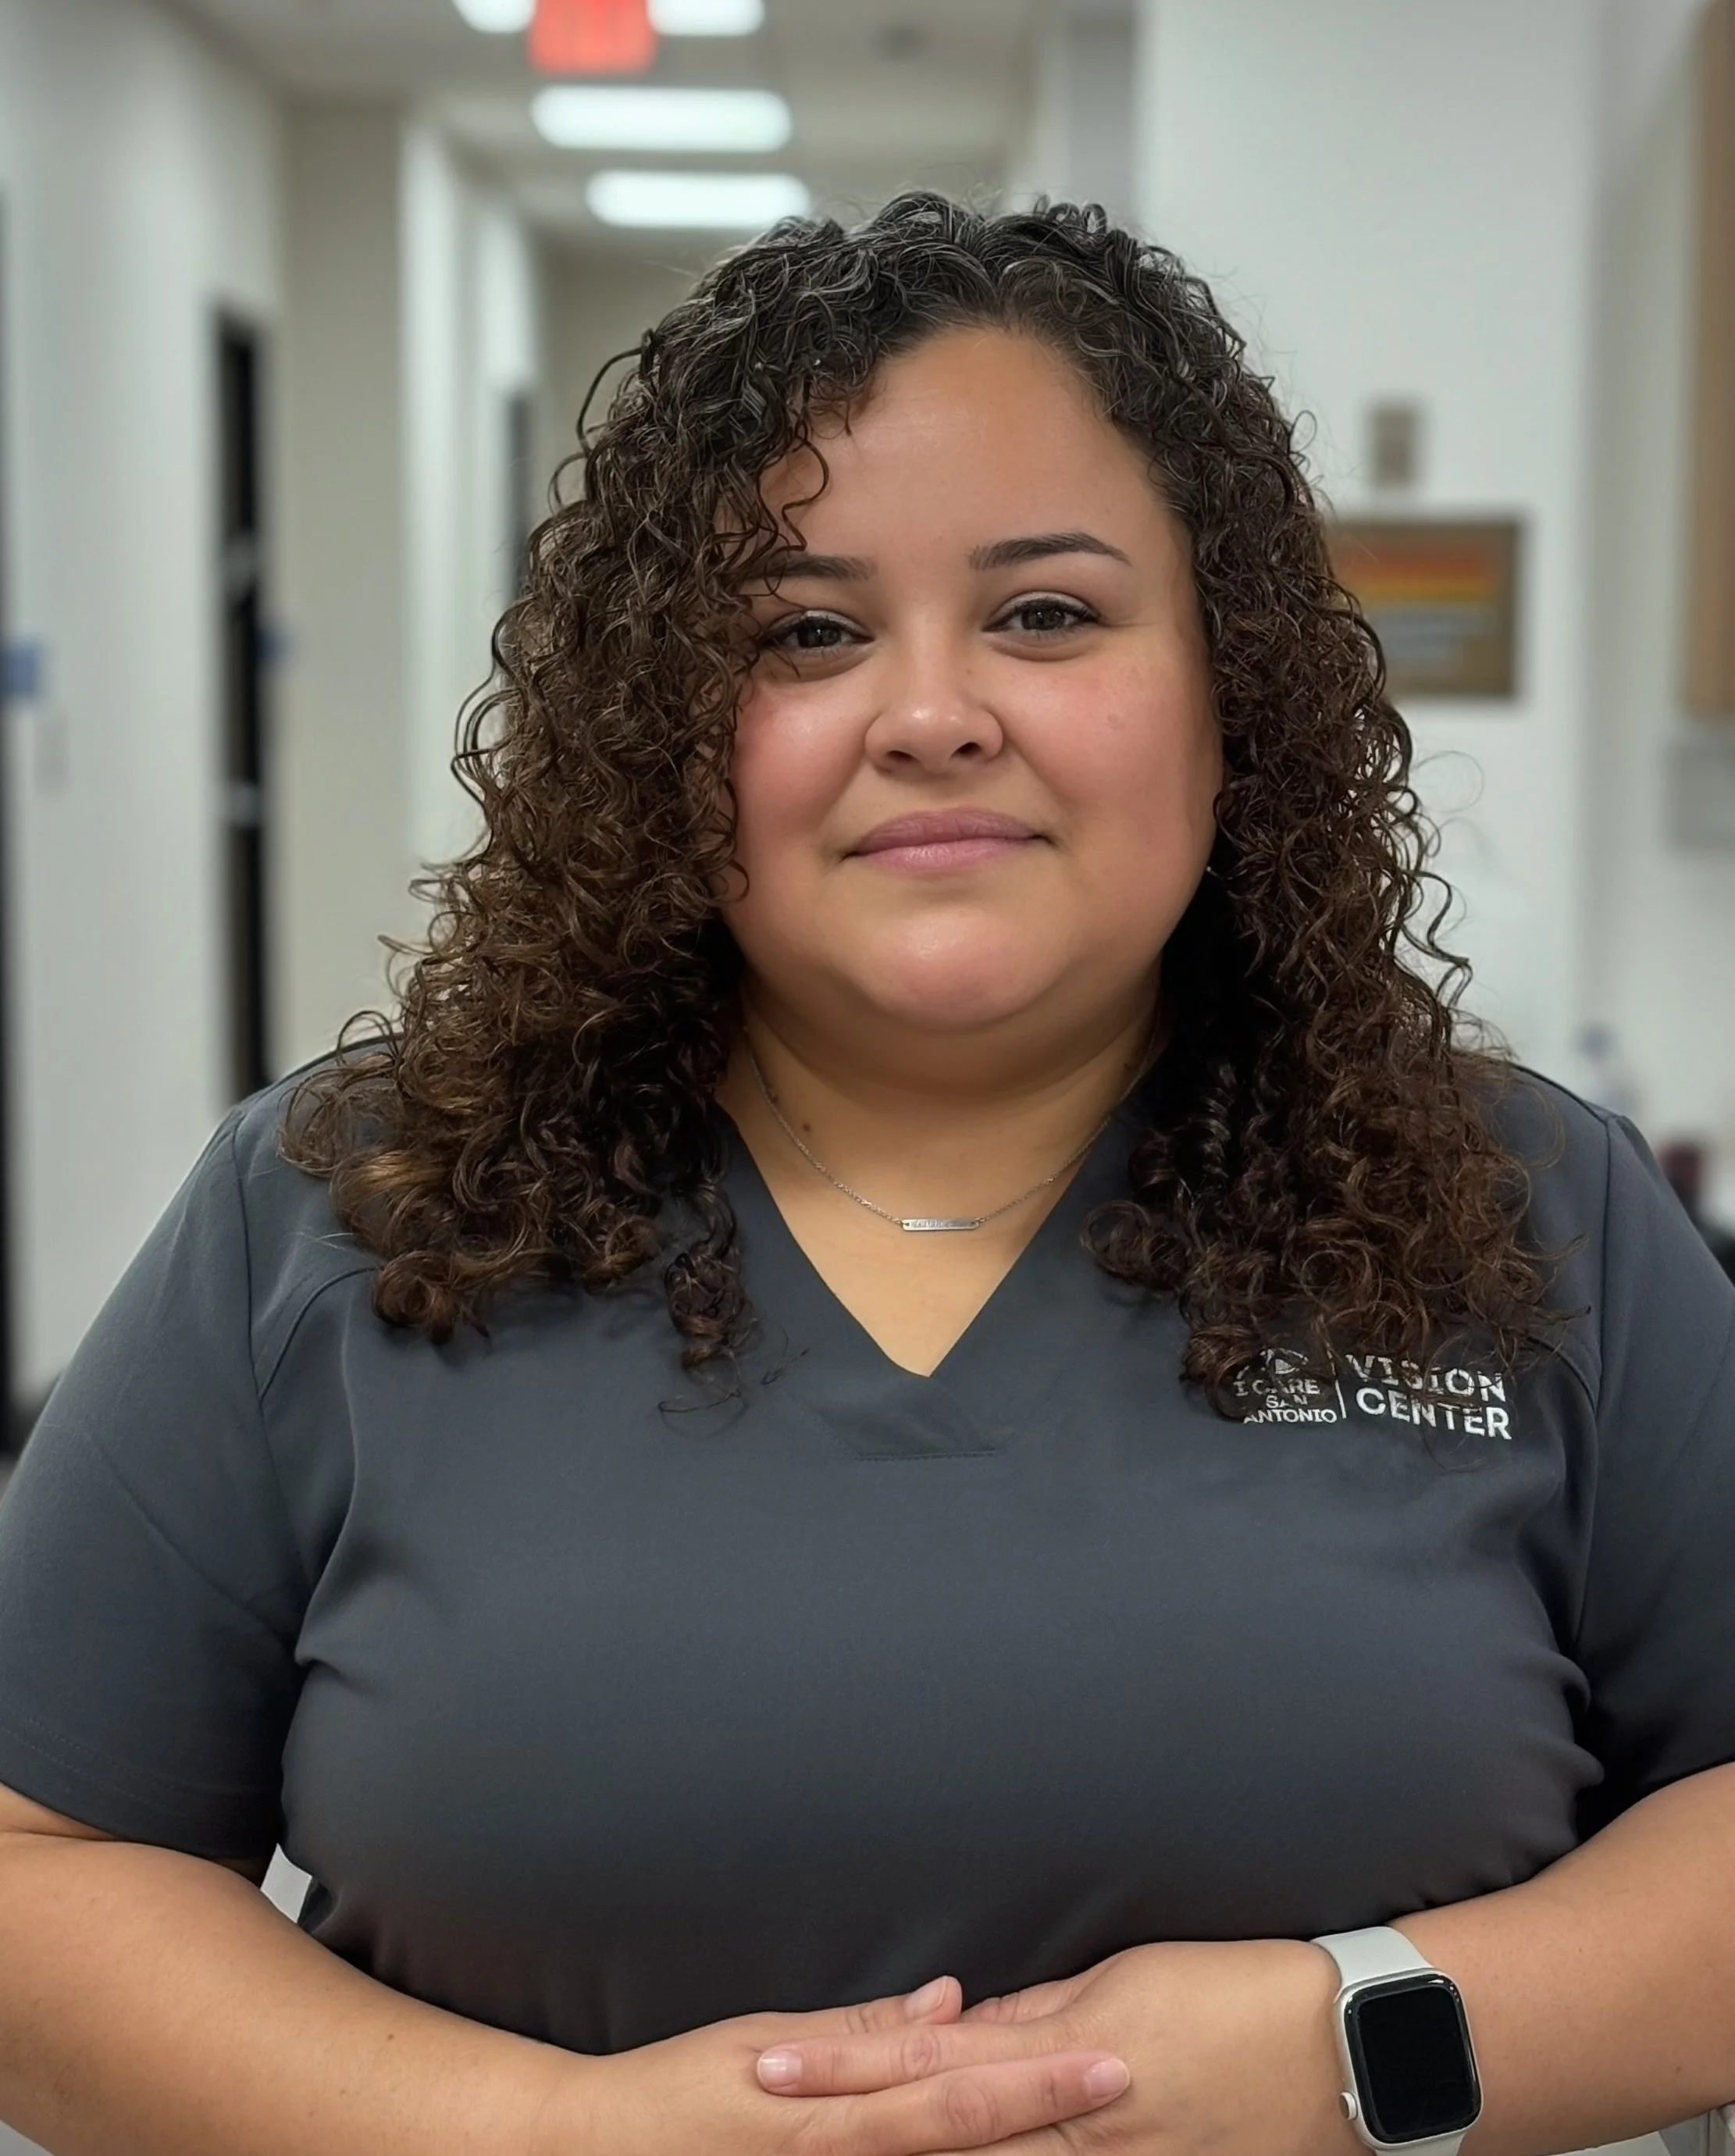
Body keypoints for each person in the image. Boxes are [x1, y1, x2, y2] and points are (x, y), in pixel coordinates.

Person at [0, 192, 1731, 2156]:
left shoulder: (1521, 1211)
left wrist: (1352, 2044)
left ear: (1229, 688)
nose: (931, 715)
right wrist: (546, 2138)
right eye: (806, 633)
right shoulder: (344, 1209)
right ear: (668, 724)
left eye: (1047, 612)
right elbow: (36, 1882)